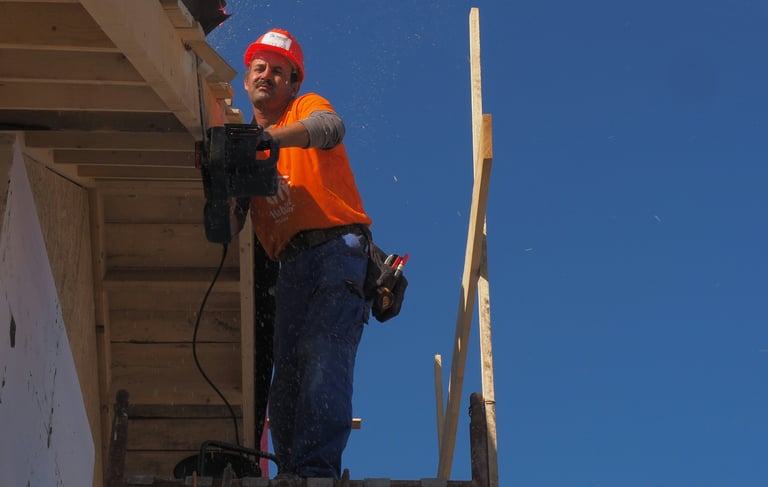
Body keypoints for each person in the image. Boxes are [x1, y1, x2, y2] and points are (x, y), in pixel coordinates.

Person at [241, 28, 372, 479]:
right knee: (287, 381)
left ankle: (316, 472)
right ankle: (294, 472)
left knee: (323, 354)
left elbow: (330, 128)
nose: (267, 75)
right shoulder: (244, 144)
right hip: (290, 265)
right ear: (246, 79)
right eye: (259, 68)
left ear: (293, 83)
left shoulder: (304, 108)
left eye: (279, 71)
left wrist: (271, 141)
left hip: (336, 249)